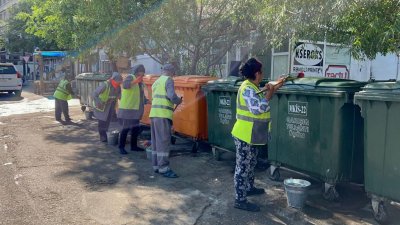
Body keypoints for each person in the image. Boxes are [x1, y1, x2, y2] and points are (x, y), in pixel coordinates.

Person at [231, 58, 284, 212]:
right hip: (244, 134)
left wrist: (277, 85)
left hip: (253, 134)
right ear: (256, 73)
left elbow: (265, 94)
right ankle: (240, 199)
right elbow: (257, 109)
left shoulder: (253, 87)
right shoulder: (247, 88)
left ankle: (249, 187)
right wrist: (269, 95)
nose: (263, 75)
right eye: (261, 72)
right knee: (243, 168)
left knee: (251, 164)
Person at [149, 64, 182, 178]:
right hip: (162, 115)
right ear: (171, 72)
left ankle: (156, 166)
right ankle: (164, 168)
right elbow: (171, 96)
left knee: (156, 142)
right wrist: (178, 101)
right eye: (174, 73)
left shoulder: (156, 82)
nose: (173, 76)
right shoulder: (168, 80)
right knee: (163, 142)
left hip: (154, 115)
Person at [117, 65, 147, 155]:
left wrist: (147, 101)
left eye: (143, 73)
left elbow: (141, 95)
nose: (142, 75)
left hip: (135, 110)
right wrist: (135, 81)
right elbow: (125, 85)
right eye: (141, 72)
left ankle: (134, 146)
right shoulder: (130, 77)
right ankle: (121, 147)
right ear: (137, 72)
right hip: (127, 109)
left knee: (135, 129)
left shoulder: (140, 82)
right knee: (125, 129)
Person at [92, 72, 122, 143]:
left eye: (120, 82)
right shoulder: (105, 85)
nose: (119, 84)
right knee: (102, 122)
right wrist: (98, 102)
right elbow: (94, 94)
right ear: (113, 80)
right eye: (118, 82)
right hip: (101, 106)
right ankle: (102, 137)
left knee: (107, 121)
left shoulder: (118, 87)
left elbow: (119, 95)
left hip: (110, 106)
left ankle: (105, 134)